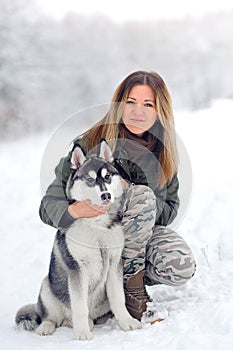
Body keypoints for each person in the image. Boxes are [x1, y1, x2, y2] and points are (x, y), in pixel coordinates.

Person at [39, 70, 196, 321]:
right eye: (130, 102)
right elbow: (48, 204)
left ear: (159, 111)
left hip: (135, 239)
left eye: (148, 104)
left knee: (180, 266)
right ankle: (127, 295)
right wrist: (73, 211)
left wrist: (131, 197)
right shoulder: (90, 143)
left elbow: (169, 209)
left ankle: (122, 285)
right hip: (94, 234)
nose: (137, 111)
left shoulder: (163, 154)